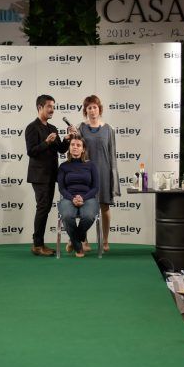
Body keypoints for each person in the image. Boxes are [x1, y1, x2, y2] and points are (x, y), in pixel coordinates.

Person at [25, 94, 72, 256]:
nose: (52, 110)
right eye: (49, 106)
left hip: (51, 175)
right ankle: (37, 245)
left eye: (53, 107)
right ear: (40, 107)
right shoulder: (32, 127)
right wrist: (46, 142)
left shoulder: (52, 128)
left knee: (44, 209)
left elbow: (61, 149)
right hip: (39, 176)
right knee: (43, 207)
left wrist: (67, 139)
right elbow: (31, 151)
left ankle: (39, 243)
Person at [73, 95, 120, 252]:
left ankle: (105, 240)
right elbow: (75, 149)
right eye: (89, 108)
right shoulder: (80, 128)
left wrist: (113, 176)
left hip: (104, 173)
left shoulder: (109, 129)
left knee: (105, 207)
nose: (92, 110)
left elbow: (112, 154)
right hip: (85, 174)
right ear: (85, 111)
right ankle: (84, 241)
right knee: (85, 207)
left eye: (95, 107)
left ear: (99, 109)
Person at [57, 136, 99, 257]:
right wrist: (72, 198)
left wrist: (83, 198)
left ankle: (73, 240)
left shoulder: (91, 165)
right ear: (69, 148)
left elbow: (95, 187)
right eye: (72, 145)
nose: (75, 147)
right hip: (68, 198)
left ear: (83, 149)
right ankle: (78, 248)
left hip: (88, 197)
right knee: (67, 216)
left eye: (78, 145)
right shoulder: (63, 166)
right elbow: (62, 188)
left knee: (89, 216)